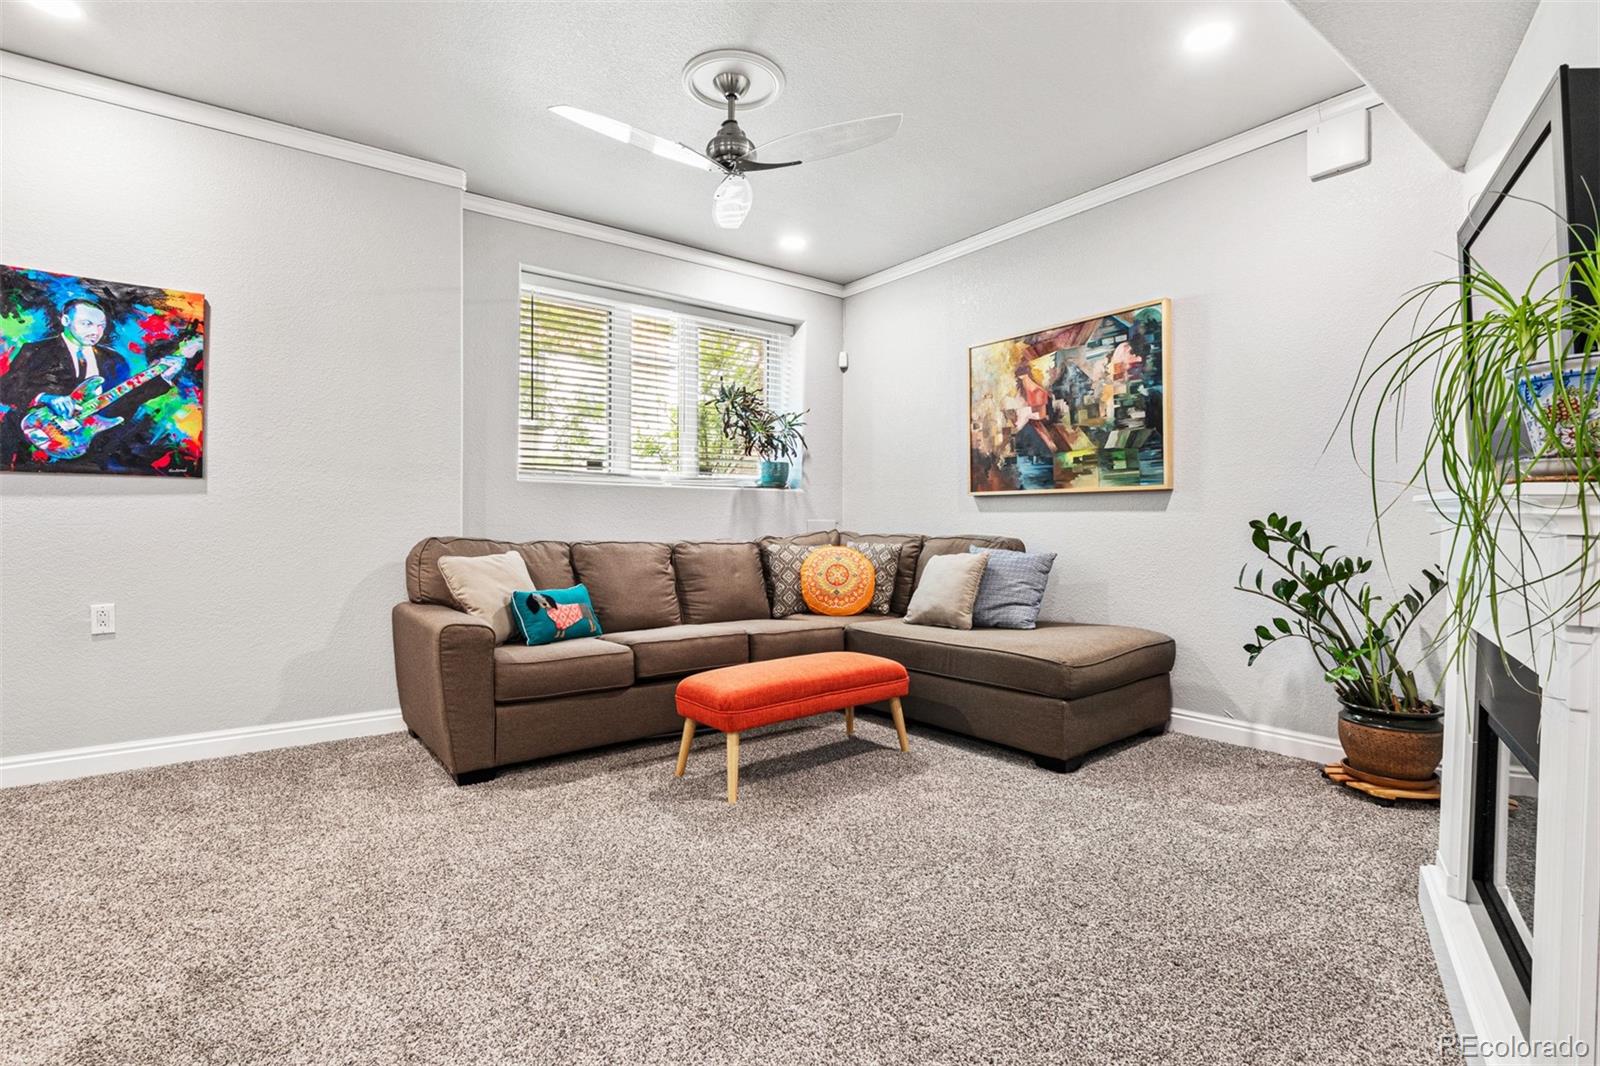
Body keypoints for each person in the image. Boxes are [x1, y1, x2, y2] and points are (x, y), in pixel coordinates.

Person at [0, 298, 177, 469]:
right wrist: (46, 398)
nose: (96, 332)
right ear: (65, 320)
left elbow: (125, 403)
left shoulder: (115, 360)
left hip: (83, 452)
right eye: (87, 324)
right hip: (28, 444)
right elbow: (6, 389)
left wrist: (164, 378)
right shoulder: (36, 351)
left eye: (101, 326)